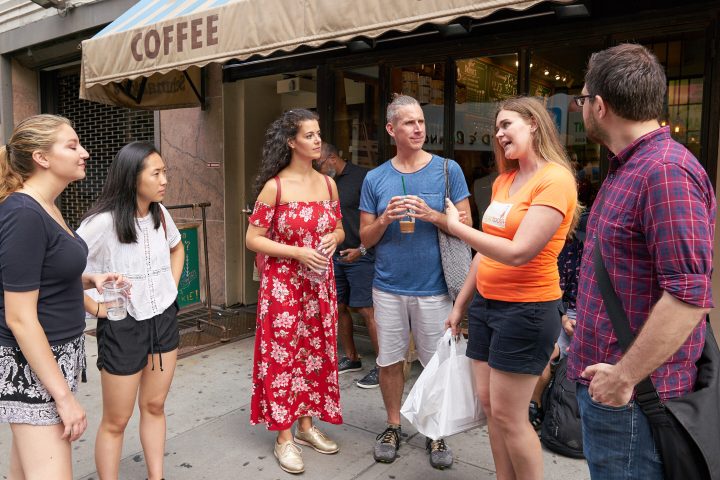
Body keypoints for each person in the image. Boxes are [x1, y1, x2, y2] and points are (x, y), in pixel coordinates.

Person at [567, 43, 715, 479]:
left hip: (633, 400)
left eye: (581, 100)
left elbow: (690, 296)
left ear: (599, 105)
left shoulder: (664, 171)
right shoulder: (630, 166)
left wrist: (623, 377)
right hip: (610, 386)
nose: (581, 109)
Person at [445, 96, 580, 480]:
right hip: (487, 306)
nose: (500, 134)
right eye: (497, 128)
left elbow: (519, 253)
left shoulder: (554, 179)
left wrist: (455, 227)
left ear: (534, 123)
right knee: (491, 407)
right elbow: (487, 252)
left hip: (528, 310)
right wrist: (461, 304)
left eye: (507, 124)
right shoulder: (505, 180)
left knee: (511, 416)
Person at [0, 114, 120, 479]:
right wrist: (65, 400)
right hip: (31, 367)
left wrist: (88, 279)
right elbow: (19, 315)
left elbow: (44, 273)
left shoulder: (45, 205)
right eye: (72, 146)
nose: (84, 152)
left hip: (53, 359)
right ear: (41, 158)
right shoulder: (23, 213)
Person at [359, 94, 472, 470]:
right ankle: (393, 425)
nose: (419, 128)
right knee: (390, 361)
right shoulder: (375, 178)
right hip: (388, 288)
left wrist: (436, 216)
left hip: (436, 288)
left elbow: (468, 225)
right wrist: (384, 220)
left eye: (421, 121)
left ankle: (434, 430)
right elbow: (364, 239)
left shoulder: (446, 170)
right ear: (392, 129)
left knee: (434, 364)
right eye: (409, 123)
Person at [77, 141, 185, 480]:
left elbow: (177, 248)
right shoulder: (102, 223)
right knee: (116, 420)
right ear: (131, 177)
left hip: (163, 320)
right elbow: (61, 270)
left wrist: (171, 286)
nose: (164, 179)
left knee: (154, 406)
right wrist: (96, 307)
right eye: (156, 173)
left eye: (165, 171)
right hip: (123, 325)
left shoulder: (159, 213)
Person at [246, 109, 345, 475]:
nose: (318, 140)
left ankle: (305, 427)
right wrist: (297, 252)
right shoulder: (276, 186)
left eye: (319, 133)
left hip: (318, 285)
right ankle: (283, 436)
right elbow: (252, 238)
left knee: (314, 353)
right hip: (284, 288)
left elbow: (339, 228)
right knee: (282, 356)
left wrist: (333, 240)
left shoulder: (328, 184)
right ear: (291, 142)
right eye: (309, 135)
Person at [315, 142, 380, 389]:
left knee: (366, 310)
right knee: (338, 306)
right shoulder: (322, 184)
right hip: (334, 255)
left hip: (362, 254)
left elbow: (377, 219)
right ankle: (352, 358)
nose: (318, 169)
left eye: (319, 164)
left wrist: (363, 249)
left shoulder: (363, 178)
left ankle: (382, 367)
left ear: (332, 158)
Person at [528, 211, 587, 430]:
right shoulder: (569, 253)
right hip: (567, 311)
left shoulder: (618, 259)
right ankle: (536, 404)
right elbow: (556, 295)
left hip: (599, 319)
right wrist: (563, 319)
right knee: (548, 353)